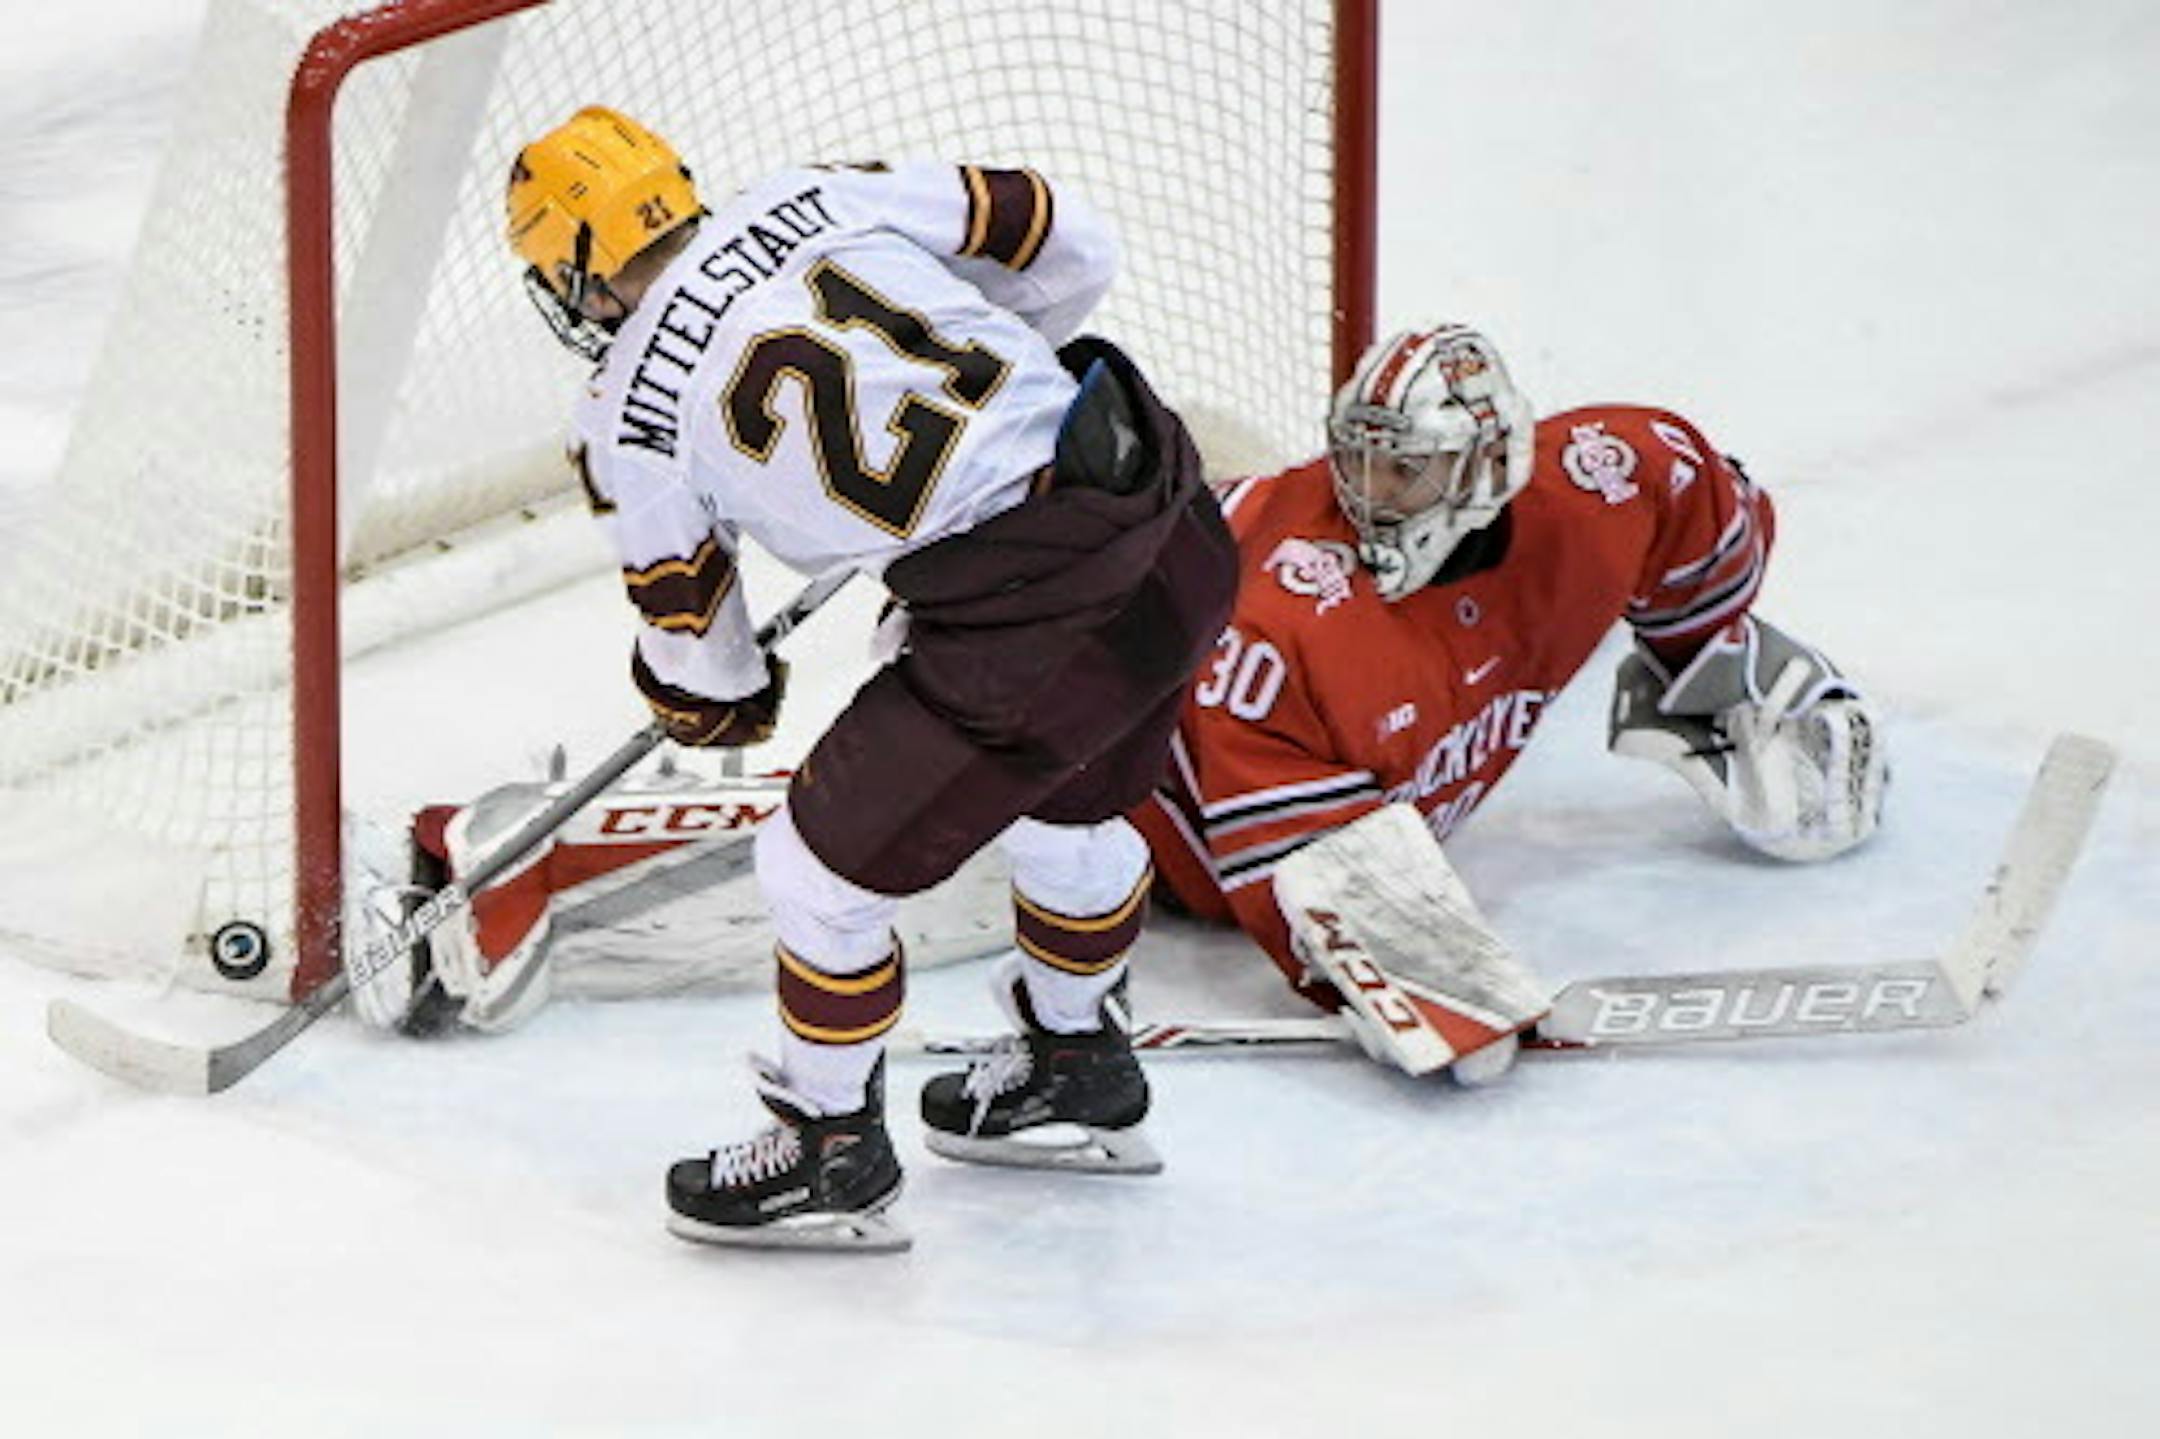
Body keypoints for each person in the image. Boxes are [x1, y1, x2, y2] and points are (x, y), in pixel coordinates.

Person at [495, 109, 1237, 1252]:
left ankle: (826, 1146)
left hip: (1035, 622)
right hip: (1171, 528)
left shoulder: (621, 419)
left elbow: (709, 667)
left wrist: (715, 694)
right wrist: (986, 429)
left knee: (814, 869)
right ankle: (1076, 1055)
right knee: (1071, 789)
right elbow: (1067, 236)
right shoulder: (812, 193)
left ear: (581, 274)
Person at [1130, 324, 1887, 1073]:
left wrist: (1700, 663)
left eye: (1403, 467)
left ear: (1489, 466)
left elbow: (1697, 507)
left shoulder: (1609, 475)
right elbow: (1285, 863)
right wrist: (1408, 967)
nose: (1365, 487)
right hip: (1147, 812)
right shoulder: (1280, 631)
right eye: (1355, 456)